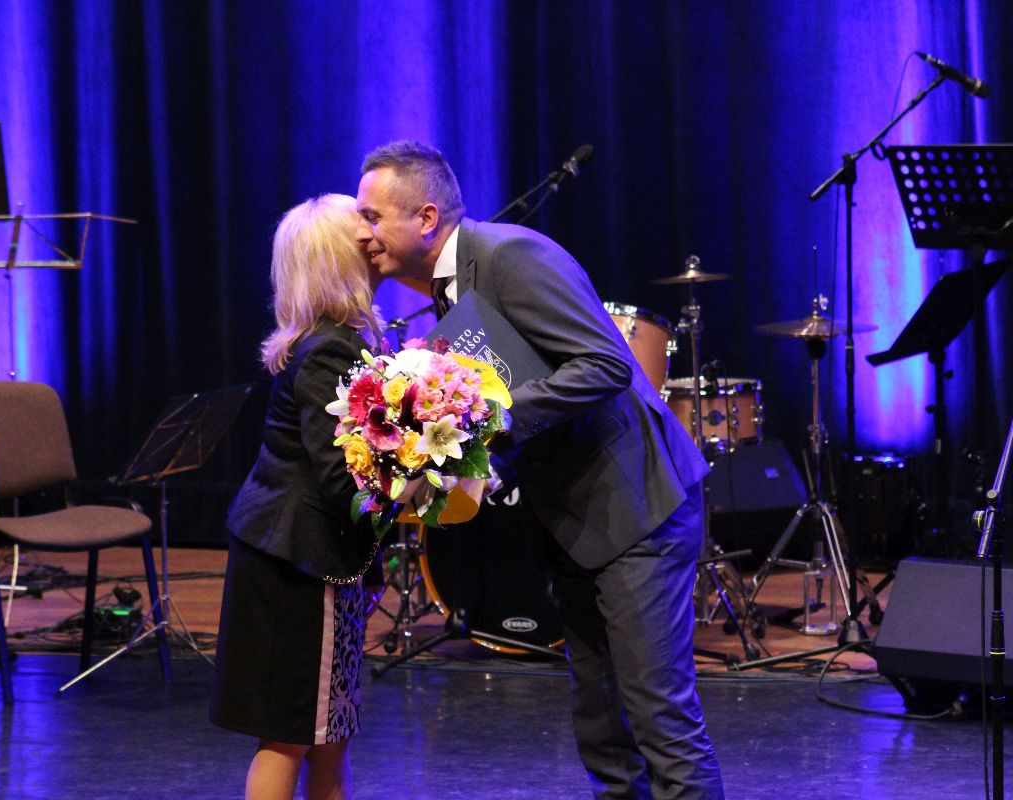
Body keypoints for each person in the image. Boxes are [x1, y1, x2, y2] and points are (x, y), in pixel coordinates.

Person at [354, 140, 725, 799]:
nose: (362, 233)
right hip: (579, 520)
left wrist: (484, 422)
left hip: (637, 507)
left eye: (372, 216)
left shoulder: (509, 256)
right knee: (603, 727)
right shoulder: (450, 288)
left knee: (660, 721)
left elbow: (606, 366)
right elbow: (524, 384)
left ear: (426, 218)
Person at [210, 193, 384, 800]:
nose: (375, 242)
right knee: (291, 733)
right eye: (364, 232)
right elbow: (340, 478)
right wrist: (416, 488)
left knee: (329, 730)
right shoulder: (329, 348)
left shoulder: (334, 339)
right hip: (298, 560)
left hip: (305, 556)